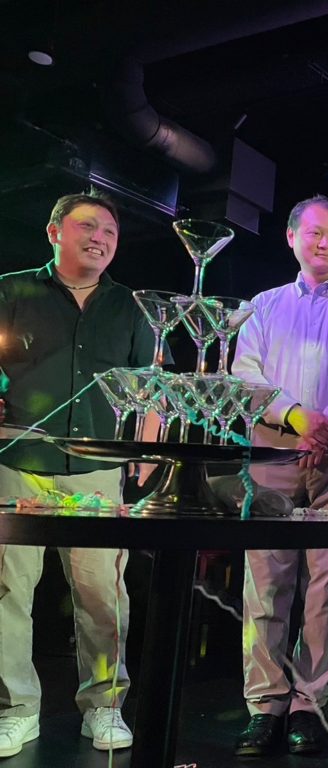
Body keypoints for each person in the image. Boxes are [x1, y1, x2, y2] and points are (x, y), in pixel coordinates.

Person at [231, 194, 328, 757]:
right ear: (291, 237)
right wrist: (298, 418)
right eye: (315, 233)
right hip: (273, 451)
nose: (325, 243)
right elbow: (244, 373)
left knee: (326, 585)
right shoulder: (263, 305)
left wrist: (324, 428)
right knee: (266, 581)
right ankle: (265, 705)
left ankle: (309, 704)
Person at [0, 191, 154, 757]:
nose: (100, 238)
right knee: (7, 591)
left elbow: (150, 384)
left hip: (98, 469)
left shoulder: (131, 306)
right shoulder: (11, 290)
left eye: (110, 231)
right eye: (88, 226)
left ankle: (105, 706)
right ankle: (15, 709)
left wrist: (147, 450)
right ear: (54, 232)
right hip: (17, 462)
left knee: (102, 595)